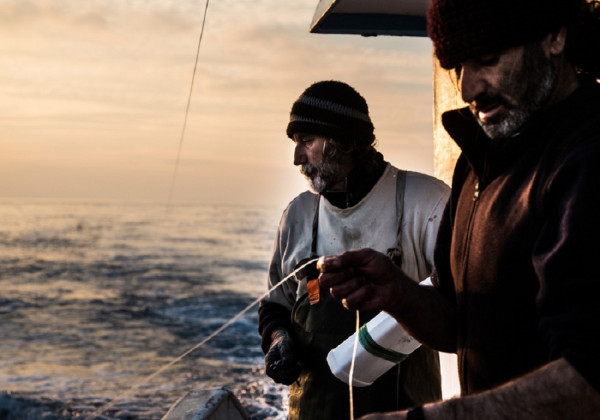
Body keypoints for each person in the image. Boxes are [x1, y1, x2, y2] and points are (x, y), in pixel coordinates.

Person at [318, 0, 600, 418]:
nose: (468, 89)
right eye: (456, 67)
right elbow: (460, 325)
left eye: (487, 59)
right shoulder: (476, 163)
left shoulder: (588, 157)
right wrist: (399, 293)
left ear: (554, 37)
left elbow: (590, 381)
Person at [257, 80, 450, 419]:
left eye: (306, 141)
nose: (296, 157)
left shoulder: (426, 201)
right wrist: (278, 340)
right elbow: (276, 306)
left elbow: (458, 300)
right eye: (295, 143)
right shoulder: (298, 215)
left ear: (345, 141)